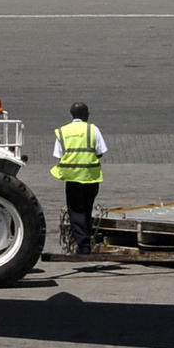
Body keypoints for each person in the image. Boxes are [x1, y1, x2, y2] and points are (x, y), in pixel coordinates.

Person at [50, 100, 106, 253]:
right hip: (91, 177)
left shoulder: (63, 131)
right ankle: (87, 241)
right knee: (87, 209)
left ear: (72, 115)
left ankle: (83, 245)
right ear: (86, 115)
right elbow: (100, 152)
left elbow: (59, 155)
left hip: (72, 178)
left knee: (76, 211)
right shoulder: (93, 130)